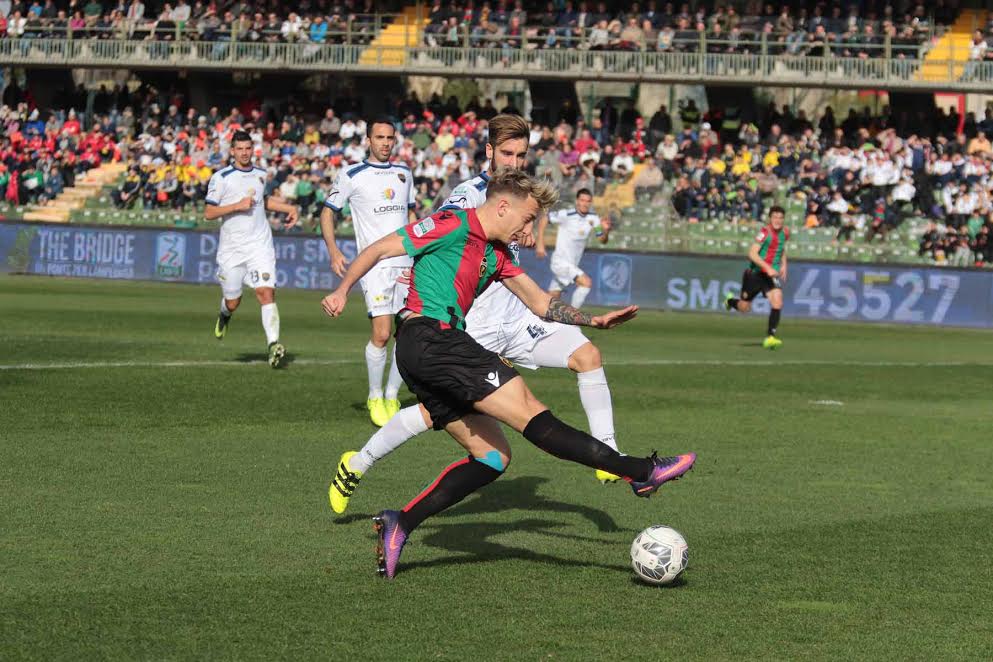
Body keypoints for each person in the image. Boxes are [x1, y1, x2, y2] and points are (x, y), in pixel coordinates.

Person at [320, 169, 696, 579]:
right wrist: (342, 290)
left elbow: (540, 303)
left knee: (492, 457)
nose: (528, 228)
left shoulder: (496, 255)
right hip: (433, 338)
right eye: (526, 218)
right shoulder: (452, 224)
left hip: (426, 352)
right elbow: (379, 248)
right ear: (503, 206)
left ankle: (400, 523)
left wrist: (594, 320)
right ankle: (641, 472)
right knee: (531, 412)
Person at [329, 115, 630, 518]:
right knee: (431, 414)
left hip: (518, 317)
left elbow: (526, 282)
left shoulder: (522, 195)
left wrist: (591, 317)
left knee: (588, 356)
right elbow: (437, 236)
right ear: (489, 151)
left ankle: (609, 457)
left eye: (522, 154)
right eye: (507, 153)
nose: (515, 161)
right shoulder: (469, 195)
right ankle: (358, 463)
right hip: (473, 327)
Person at [319, 117, 417, 426]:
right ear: (368, 140)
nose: (386, 143)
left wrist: (421, 255)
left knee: (410, 334)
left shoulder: (404, 173)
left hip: (405, 264)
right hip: (373, 265)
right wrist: (334, 251)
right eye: (380, 137)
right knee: (382, 333)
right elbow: (326, 214)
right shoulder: (351, 174)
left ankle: (391, 394)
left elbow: (412, 217)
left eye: (390, 137)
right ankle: (375, 394)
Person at [205, 130, 298, 368]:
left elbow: (263, 201)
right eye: (240, 149)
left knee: (266, 293)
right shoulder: (221, 177)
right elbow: (209, 212)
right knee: (233, 301)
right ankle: (224, 316)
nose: (245, 152)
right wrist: (237, 205)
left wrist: (288, 208)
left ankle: (273, 345)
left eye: (248, 148)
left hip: (260, 245)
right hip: (232, 249)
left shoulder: (260, 174)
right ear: (232, 151)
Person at [724, 205, 789, 349]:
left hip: (770, 275)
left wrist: (784, 264)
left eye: (780, 217)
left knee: (777, 301)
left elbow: (781, 248)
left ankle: (770, 337)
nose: (777, 220)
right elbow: (752, 254)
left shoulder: (785, 232)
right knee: (744, 307)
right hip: (755, 274)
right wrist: (767, 267)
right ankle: (730, 301)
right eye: (775, 217)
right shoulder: (764, 233)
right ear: (770, 219)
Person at [535, 188, 609, 308]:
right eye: (582, 200)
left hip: (572, 264)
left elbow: (602, 239)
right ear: (577, 201)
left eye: (588, 201)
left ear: (591, 202)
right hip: (560, 262)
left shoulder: (594, 218)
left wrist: (605, 230)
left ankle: (539, 318)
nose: (585, 203)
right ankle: (574, 319)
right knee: (586, 283)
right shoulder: (567, 214)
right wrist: (540, 243)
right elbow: (544, 218)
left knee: (552, 300)